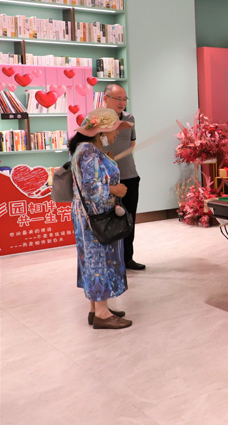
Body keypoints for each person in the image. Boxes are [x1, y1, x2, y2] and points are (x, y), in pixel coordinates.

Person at [70, 108, 133, 329]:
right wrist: (115, 190)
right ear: (101, 132)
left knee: (91, 260)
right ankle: (102, 314)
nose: (116, 135)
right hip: (96, 216)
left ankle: (96, 308)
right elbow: (91, 189)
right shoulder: (89, 152)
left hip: (87, 215)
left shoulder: (87, 149)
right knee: (99, 260)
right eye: (114, 130)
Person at [101, 84, 143, 270]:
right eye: (118, 99)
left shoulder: (129, 118)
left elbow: (132, 143)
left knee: (129, 219)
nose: (122, 102)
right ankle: (110, 260)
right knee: (108, 221)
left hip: (129, 176)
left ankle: (127, 258)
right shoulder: (95, 120)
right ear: (105, 99)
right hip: (106, 181)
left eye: (124, 99)